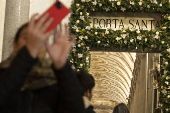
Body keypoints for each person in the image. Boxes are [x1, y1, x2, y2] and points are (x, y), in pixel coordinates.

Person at [0, 13, 86, 113]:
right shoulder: (3, 74)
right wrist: (29, 52)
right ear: (15, 44)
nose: (33, 43)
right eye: (26, 37)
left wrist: (62, 66)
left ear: (46, 48)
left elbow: (76, 109)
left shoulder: (57, 79)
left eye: (39, 40)